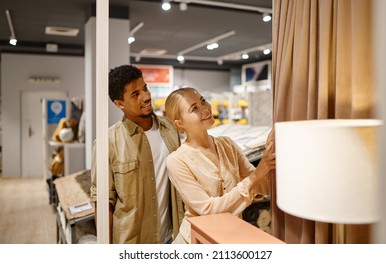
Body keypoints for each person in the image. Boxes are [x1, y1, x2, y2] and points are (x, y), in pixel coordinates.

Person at [164, 87, 276, 244]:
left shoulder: (227, 145)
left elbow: (261, 187)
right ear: (180, 122)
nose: (205, 108)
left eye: (203, 101)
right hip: (195, 241)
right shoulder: (177, 161)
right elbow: (208, 210)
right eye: (194, 108)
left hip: (229, 235)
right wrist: (256, 176)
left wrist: (271, 155)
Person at [90, 64, 184, 244]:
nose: (146, 96)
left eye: (145, 88)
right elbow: (103, 203)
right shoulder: (107, 143)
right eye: (135, 94)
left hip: (171, 238)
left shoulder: (170, 128)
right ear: (119, 104)